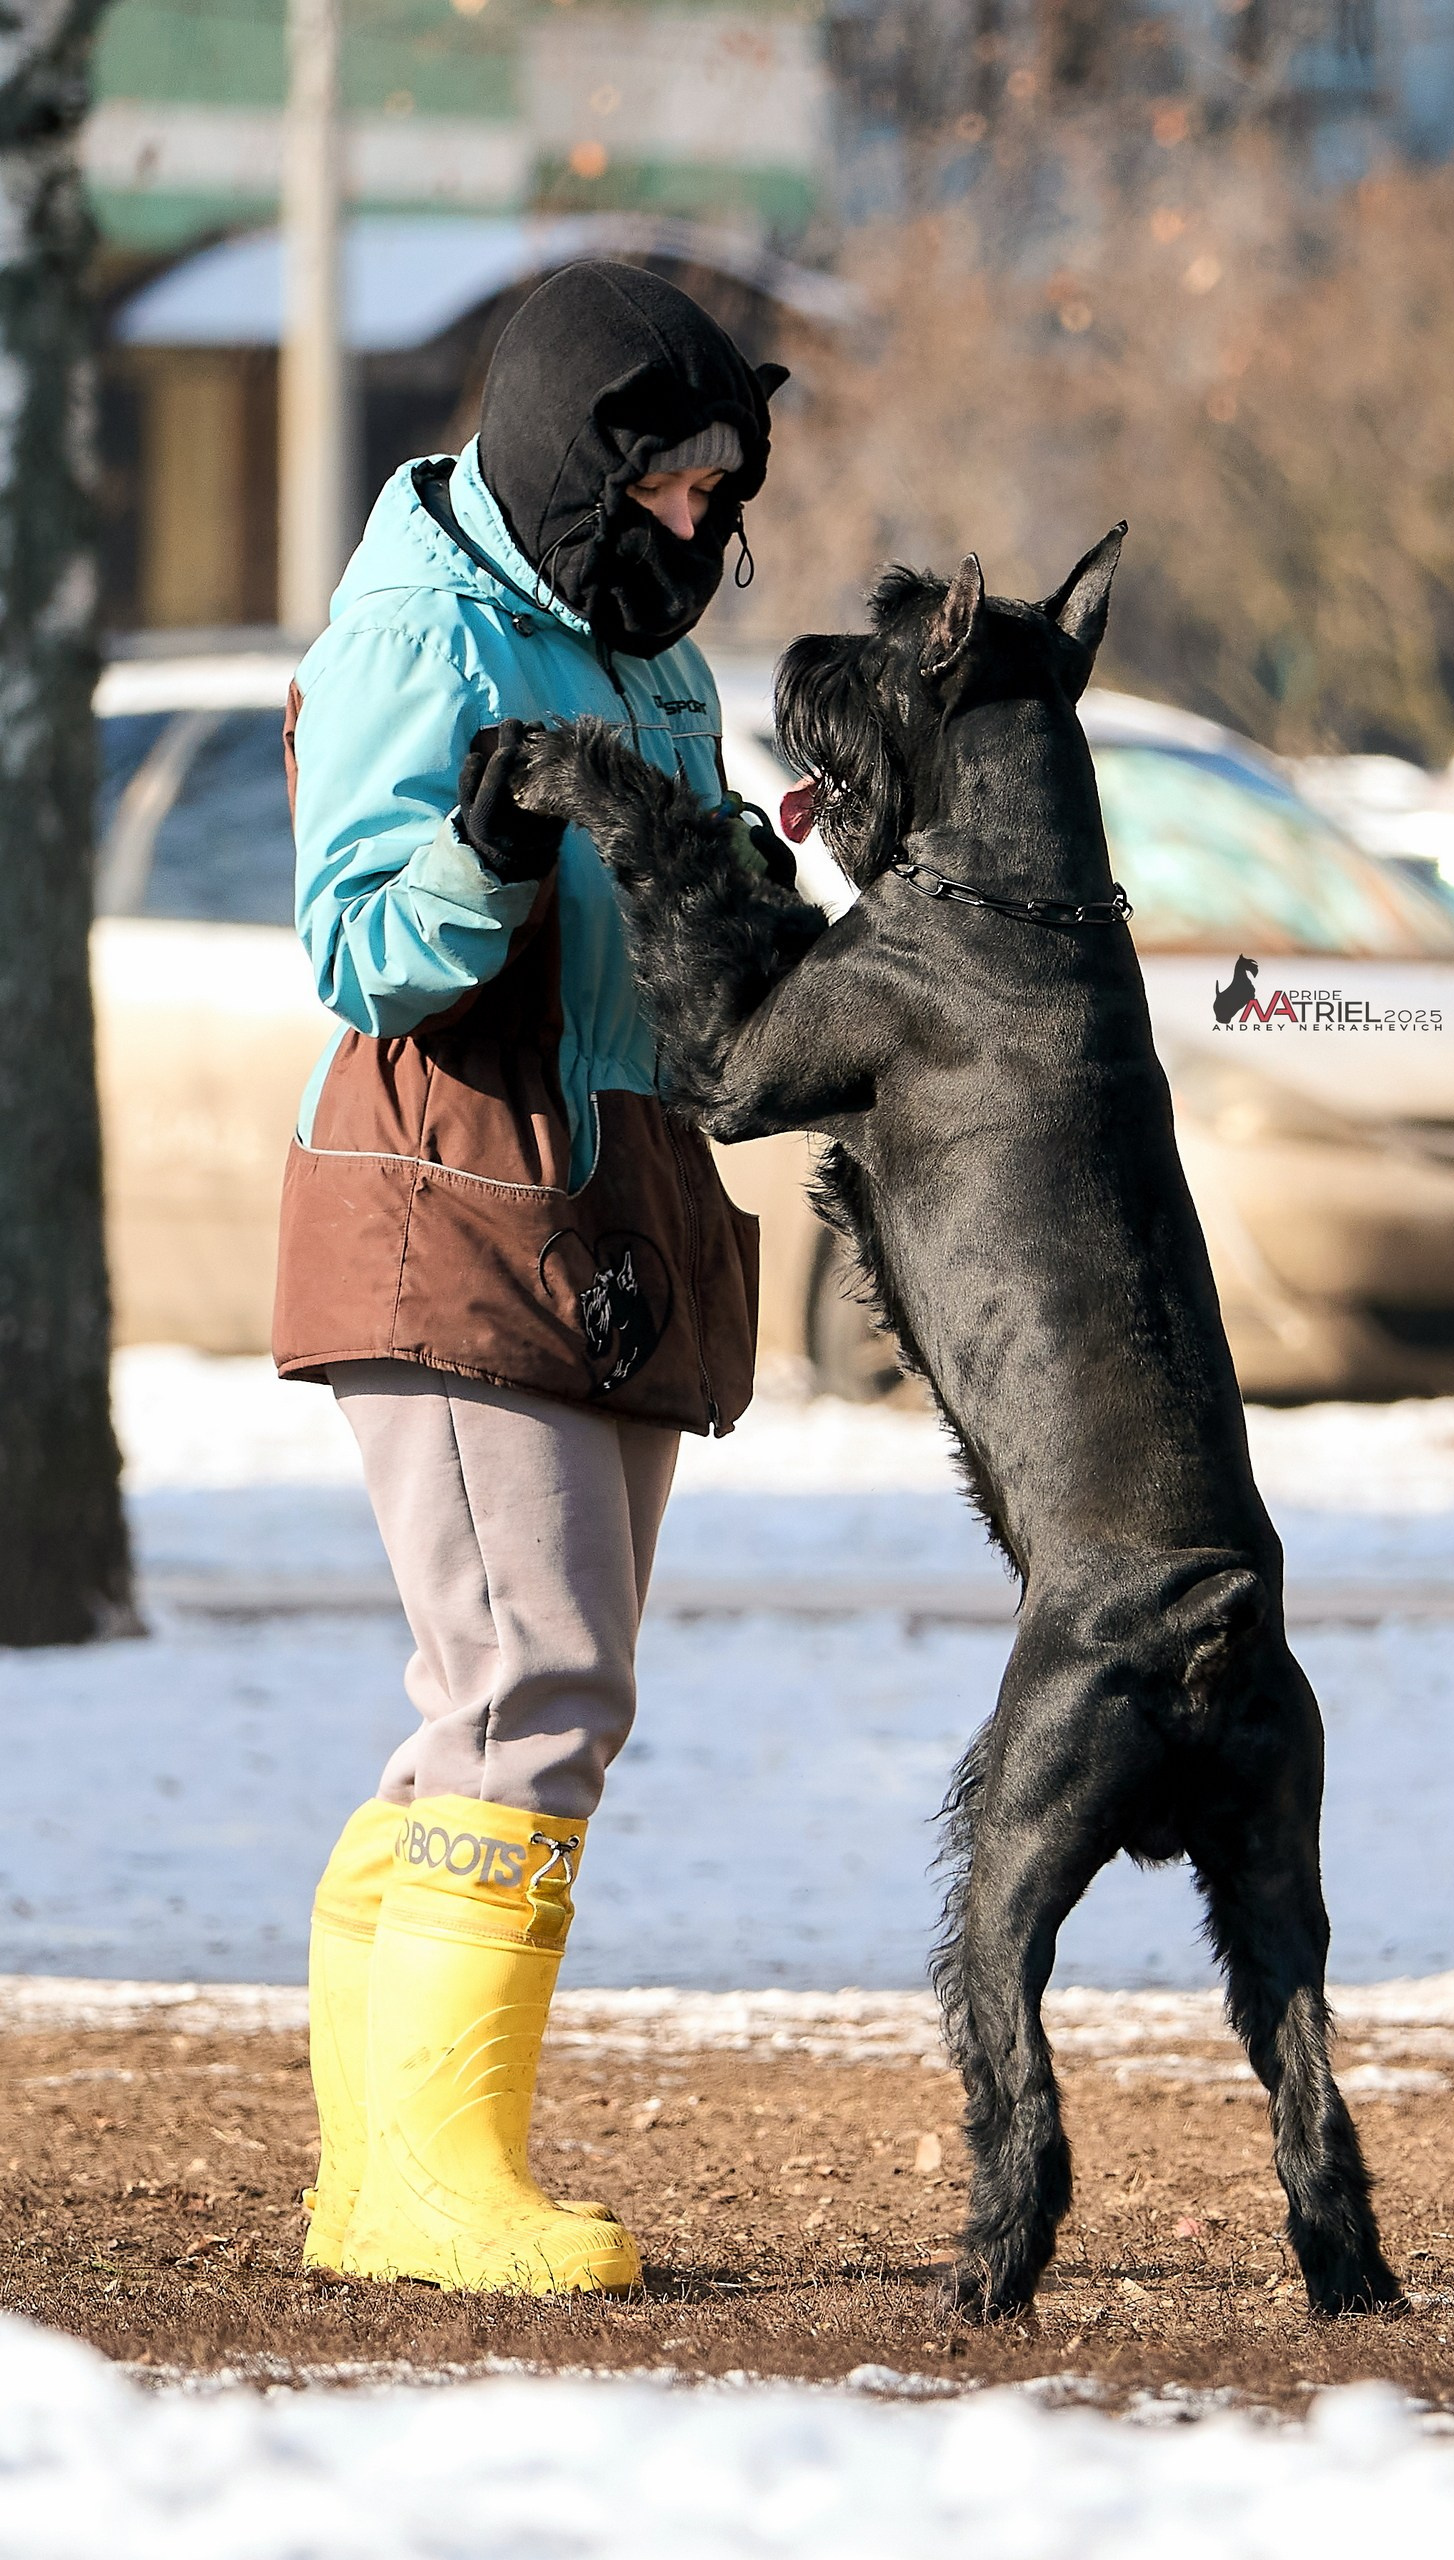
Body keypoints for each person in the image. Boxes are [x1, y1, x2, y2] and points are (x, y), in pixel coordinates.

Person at [273, 262, 791, 2296]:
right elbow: (359, 952)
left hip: (607, 1204)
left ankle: (377, 2173)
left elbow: (670, 903)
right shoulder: (428, 623)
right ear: (578, 465)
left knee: (492, 1698)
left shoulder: (637, 635)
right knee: (532, 1681)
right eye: (670, 487)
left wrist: (769, 866)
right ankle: (429, 2182)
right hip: (455, 1192)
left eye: (720, 490)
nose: (703, 525)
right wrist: (483, 843)